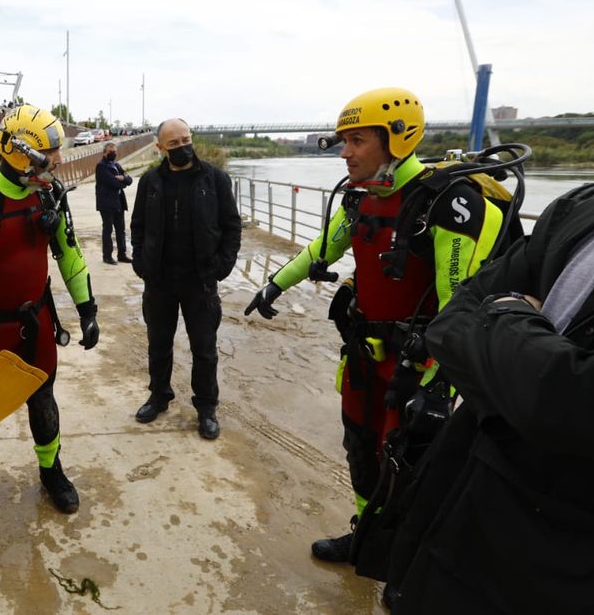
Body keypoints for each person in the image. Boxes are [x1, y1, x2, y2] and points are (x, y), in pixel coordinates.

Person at [244, 87, 507, 565]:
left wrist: (440, 386)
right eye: (344, 141)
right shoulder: (362, 200)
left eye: (357, 141)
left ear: (397, 139)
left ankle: (405, 561)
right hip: (365, 354)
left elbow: (459, 307)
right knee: (360, 449)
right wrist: (274, 285)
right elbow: (322, 248)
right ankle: (367, 538)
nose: (345, 153)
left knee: (409, 464)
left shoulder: (445, 204)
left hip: (418, 366)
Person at [387, 174, 594, 613]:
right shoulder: (593, 199)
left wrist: (503, 314)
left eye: (356, 140)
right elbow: (452, 320)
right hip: (467, 512)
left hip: (582, 568)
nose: (345, 153)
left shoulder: (456, 202)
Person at [0, 105, 99, 519]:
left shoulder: (48, 193)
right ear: (19, 152)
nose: (59, 161)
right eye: (50, 152)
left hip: (38, 323)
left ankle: (52, 471)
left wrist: (87, 308)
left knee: (43, 400)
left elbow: (69, 253)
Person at [131, 118, 242, 440]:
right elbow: (137, 226)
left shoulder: (215, 178)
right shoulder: (150, 182)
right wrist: (140, 261)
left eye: (186, 140)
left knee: (204, 349)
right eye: (174, 143)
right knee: (158, 345)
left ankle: (206, 407)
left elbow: (232, 226)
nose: (183, 147)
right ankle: (159, 396)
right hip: (159, 281)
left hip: (201, 281)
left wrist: (223, 265)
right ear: (161, 148)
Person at [95, 141, 132, 265]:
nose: (113, 154)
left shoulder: (116, 164)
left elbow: (129, 179)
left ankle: (122, 254)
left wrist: (123, 179)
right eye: (111, 152)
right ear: (105, 153)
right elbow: (113, 183)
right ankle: (107, 256)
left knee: (121, 230)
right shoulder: (101, 166)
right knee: (108, 229)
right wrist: (122, 181)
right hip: (106, 203)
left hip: (119, 202)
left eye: (115, 152)